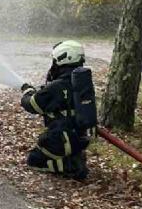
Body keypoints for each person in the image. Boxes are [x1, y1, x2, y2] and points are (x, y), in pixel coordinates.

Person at [20, 40, 91, 181]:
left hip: (61, 138)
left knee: (34, 160)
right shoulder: (82, 82)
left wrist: (27, 92)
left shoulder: (58, 85)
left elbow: (33, 105)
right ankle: (73, 157)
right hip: (78, 138)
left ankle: (70, 166)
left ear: (63, 58)